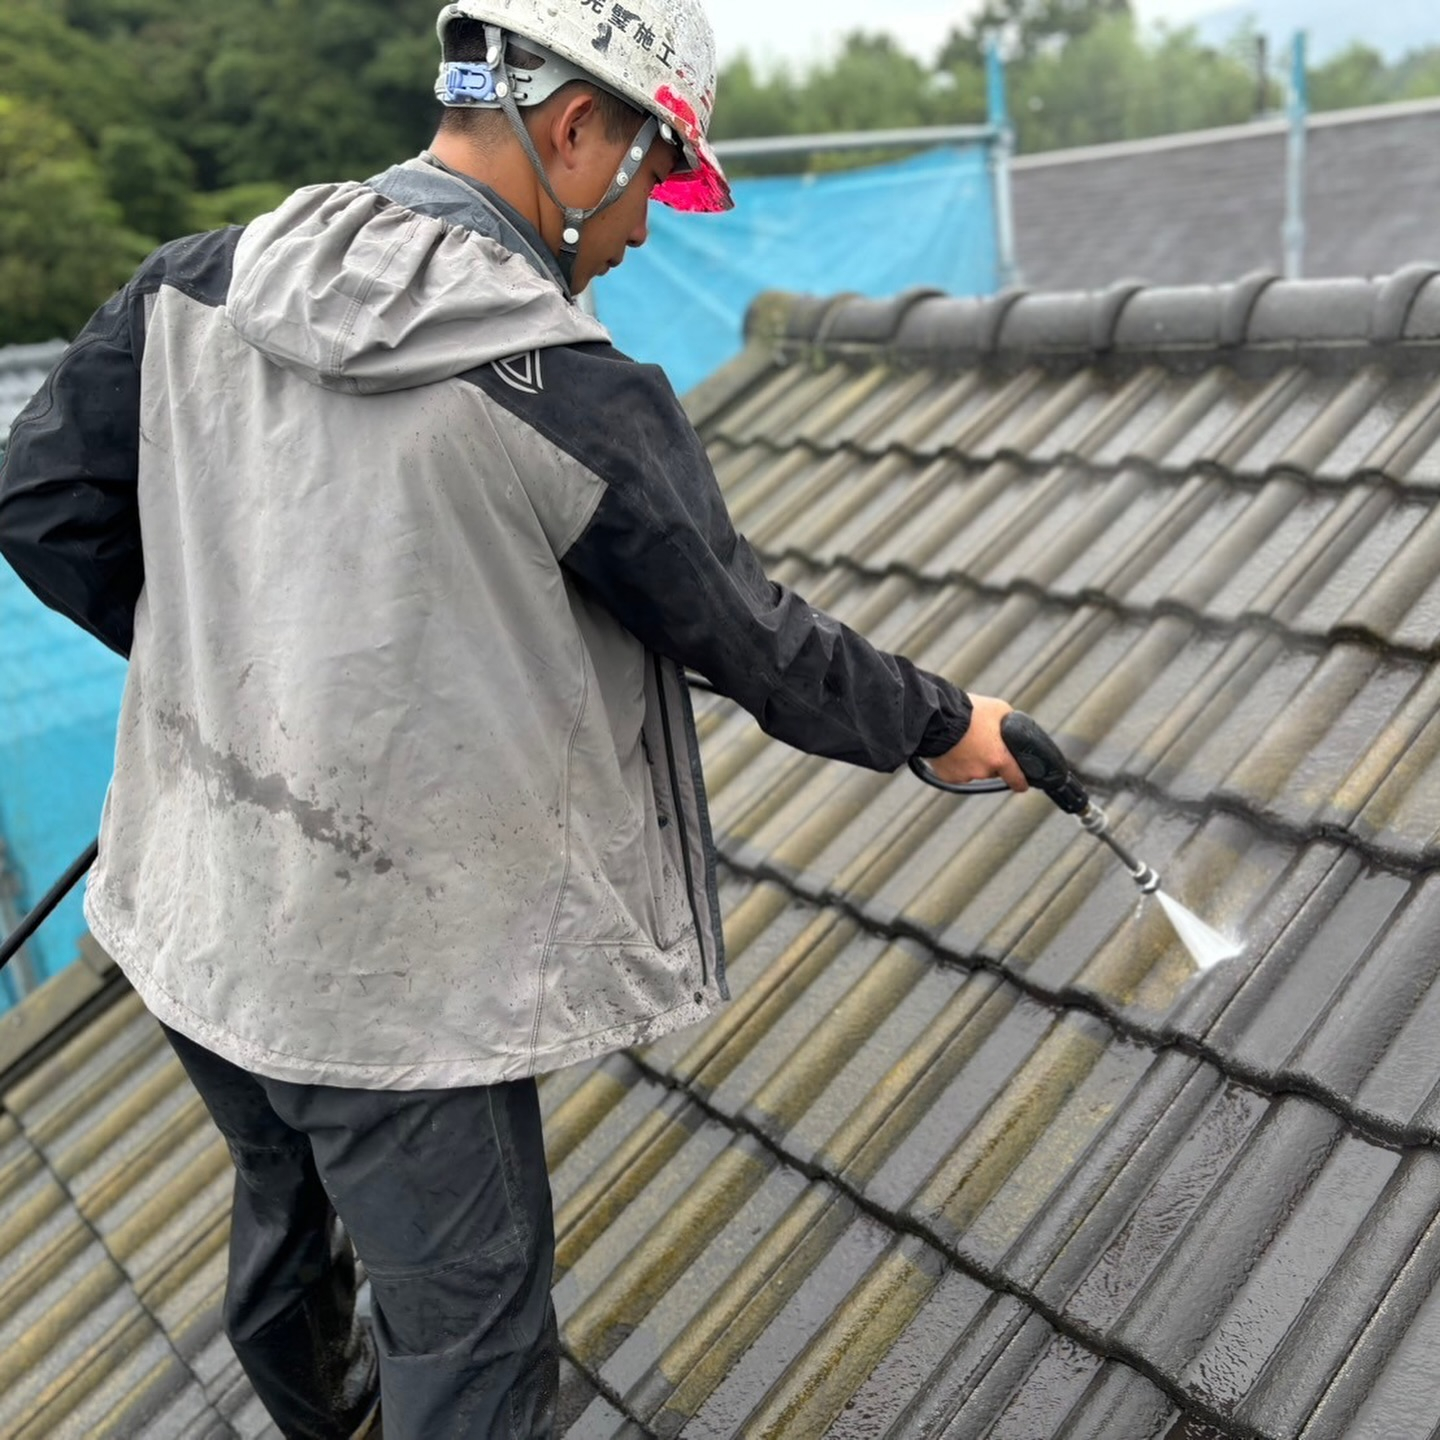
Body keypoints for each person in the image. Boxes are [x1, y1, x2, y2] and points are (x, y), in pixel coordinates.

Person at [0, 0, 1026, 1435]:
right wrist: (939, 721)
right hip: (396, 977)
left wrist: (225, 660)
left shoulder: (198, 286)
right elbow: (753, 639)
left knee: (282, 1201)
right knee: (473, 1346)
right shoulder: (570, 396)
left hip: (195, 907)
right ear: (574, 128)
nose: (649, 228)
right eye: (656, 174)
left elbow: (39, 503)